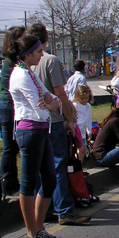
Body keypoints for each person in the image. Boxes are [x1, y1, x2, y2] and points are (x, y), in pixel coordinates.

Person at [7, 35, 67, 238]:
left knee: (50, 179)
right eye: (39, 52)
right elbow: (40, 110)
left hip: (42, 130)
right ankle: (32, 231)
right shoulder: (21, 76)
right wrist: (51, 105)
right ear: (28, 54)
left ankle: (39, 227)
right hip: (29, 131)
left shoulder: (30, 73)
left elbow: (52, 98)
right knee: (29, 181)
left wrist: (51, 103)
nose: (42, 55)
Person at [29, 23, 85, 224]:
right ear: (46, 40)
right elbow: (61, 94)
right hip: (53, 119)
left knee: (38, 168)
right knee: (58, 165)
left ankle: (43, 208)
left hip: (34, 121)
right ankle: (64, 209)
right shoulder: (50, 61)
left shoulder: (25, 64)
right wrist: (70, 120)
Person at [0, 25, 25, 196]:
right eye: (23, 36)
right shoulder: (11, 61)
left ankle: (13, 183)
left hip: (8, 107)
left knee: (13, 148)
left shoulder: (13, 60)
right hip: (7, 107)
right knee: (9, 148)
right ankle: (6, 185)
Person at [72, 85, 94, 161]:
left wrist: (89, 132)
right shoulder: (75, 106)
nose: (84, 100)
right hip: (77, 130)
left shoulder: (88, 106)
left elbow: (88, 120)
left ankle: (80, 167)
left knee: (84, 150)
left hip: (83, 132)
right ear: (77, 97)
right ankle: (77, 166)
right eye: (82, 98)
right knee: (80, 149)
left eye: (86, 98)